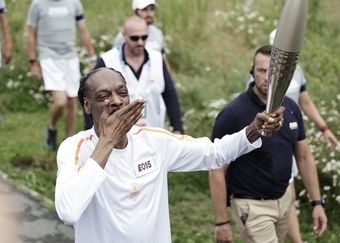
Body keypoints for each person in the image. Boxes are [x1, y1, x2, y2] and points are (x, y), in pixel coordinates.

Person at [55, 67, 284, 243]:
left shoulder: (154, 140)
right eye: (103, 96)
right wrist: (107, 142)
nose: (116, 100)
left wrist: (253, 130)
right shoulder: (74, 148)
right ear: (87, 105)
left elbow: (214, 153)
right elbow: (68, 211)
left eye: (122, 93)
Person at [209, 45, 327, 243]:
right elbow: (216, 169)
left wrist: (317, 202)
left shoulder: (291, 108)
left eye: (272, 71)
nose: (266, 77)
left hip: (284, 201)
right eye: (261, 70)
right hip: (252, 206)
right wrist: (221, 221)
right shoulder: (233, 113)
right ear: (252, 71)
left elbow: (304, 157)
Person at [245, 29, 339, 243]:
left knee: (289, 192)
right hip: (268, 138)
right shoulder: (261, 71)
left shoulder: (298, 71)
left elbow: (304, 101)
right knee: (284, 191)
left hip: (290, 132)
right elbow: (251, 106)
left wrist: (324, 128)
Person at [86, 16, 182, 133]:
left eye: (144, 37)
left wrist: (177, 128)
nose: (140, 42)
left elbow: (170, 95)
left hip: (153, 133)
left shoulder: (157, 59)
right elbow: (90, 97)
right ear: (124, 36)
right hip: (119, 136)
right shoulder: (107, 61)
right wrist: (91, 132)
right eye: (135, 38)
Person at [27, 0, 97, 150]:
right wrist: (32, 61)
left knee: (72, 100)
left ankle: (69, 144)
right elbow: (31, 32)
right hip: (49, 57)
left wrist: (92, 56)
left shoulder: (74, 3)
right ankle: (51, 127)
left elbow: (83, 30)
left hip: (70, 57)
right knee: (60, 101)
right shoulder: (37, 4)